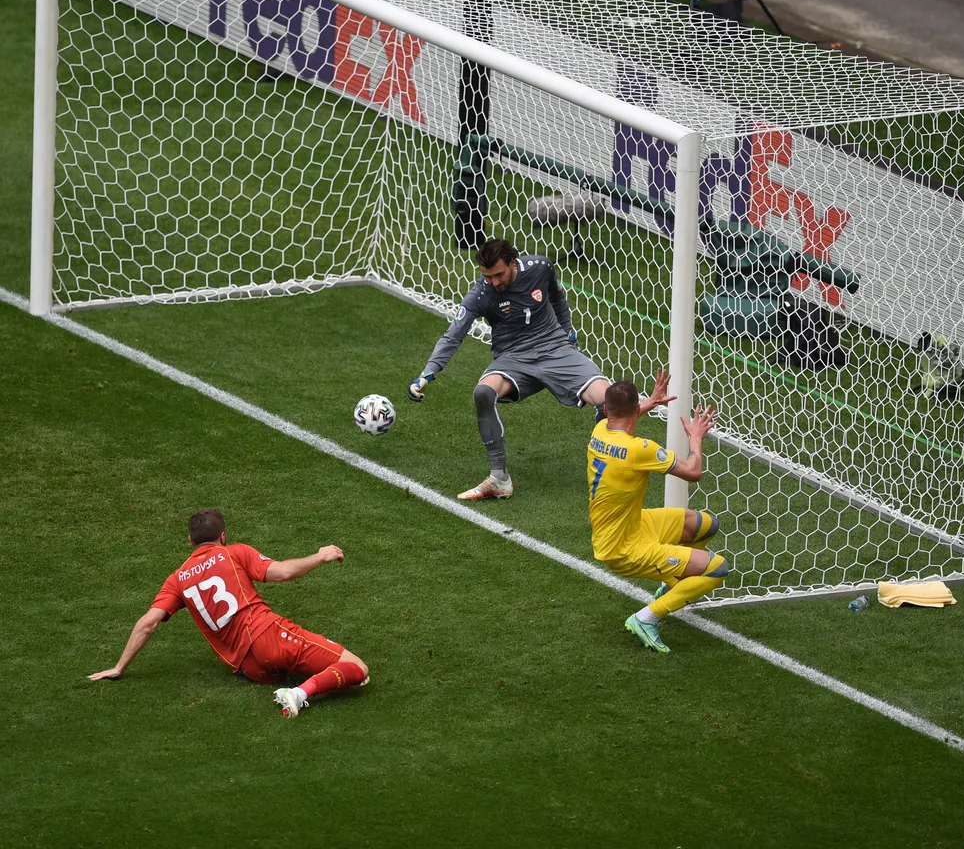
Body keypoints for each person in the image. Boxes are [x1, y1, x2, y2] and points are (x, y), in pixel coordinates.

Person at [88, 509, 368, 718]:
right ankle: (298, 694)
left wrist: (119, 667)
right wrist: (320, 556)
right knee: (357, 668)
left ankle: (296, 681)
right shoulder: (234, 553)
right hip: (270, 637)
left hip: (250, 668)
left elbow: (149, 623)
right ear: (223, 535)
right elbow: (282, 573)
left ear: (190, 540)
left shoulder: (178, 578)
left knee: (307, 664)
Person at [408, 237, 612, 501]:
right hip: (513, 360)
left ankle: (607, 475)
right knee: (483, 393)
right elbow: (453, 336)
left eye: (498, 274)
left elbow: (558, 298)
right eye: (487, 276)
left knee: (608, 399)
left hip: (555, 350)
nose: (493, 282)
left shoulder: (541, 267)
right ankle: (499, 480)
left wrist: (567, 331)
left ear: (513, 263)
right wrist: (428, 373)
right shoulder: (480, 294)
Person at [587, 371, 728, 653]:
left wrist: (650, 401)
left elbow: (625, 414)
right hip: (623, 548)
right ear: (634, 411)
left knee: (704, 525)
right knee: (717, 568)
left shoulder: (599, 430)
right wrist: (696, 438)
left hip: (633, 524)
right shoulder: (640, 449)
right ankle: (646, 618)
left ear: (606, 410)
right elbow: (693, 472)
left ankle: (673, 584)